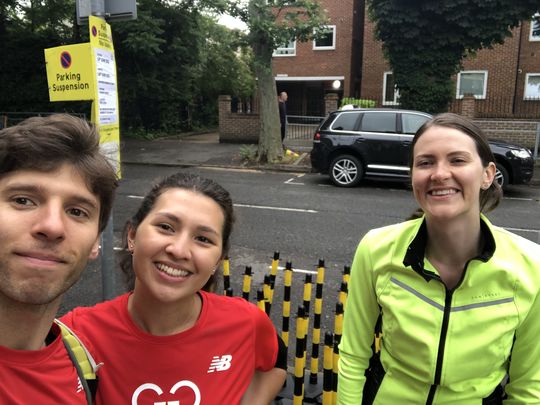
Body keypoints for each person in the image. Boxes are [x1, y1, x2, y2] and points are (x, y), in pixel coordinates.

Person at [337, 113, 540, 403]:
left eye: (457, 160)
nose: (439, 173)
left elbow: (529, 388)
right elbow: (354, 355)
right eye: (425, 162)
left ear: (487, 174)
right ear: (412, 176)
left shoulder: (531, 266)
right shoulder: (376, 248)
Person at [62, 172, 287, 404]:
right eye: (166, 227)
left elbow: (275, 362)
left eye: (203, 239)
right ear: (132, 236)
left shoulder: (246, 323)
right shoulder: (76, 336)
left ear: (218, 260)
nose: (179, 250)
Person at [0, 114, 118, 403]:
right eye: (23, 200)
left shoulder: (82, 363)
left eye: (77, 211)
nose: (52, 227)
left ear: (95, 243)